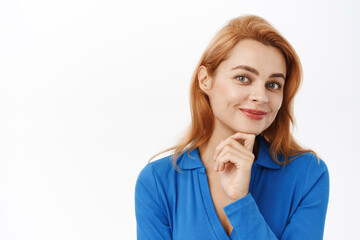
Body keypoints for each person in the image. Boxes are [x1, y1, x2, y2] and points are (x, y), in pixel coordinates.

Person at [135, 15, 329, 239]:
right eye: (243, 78)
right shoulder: (158, 182)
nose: (261, 96)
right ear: (205, 80)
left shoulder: (308, 175)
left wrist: (240, 202)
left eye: (273, 84)